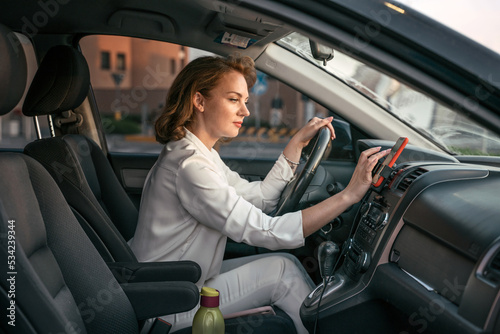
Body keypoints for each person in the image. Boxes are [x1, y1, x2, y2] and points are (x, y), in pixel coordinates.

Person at [129, 54, 389, 333]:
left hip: (177, 285)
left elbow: (260, 197)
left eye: (246, 101)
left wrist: (296, 144)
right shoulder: (190, 166)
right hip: (166, 305)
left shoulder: (199, 154)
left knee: (285, 264)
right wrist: (349, 196)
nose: (245, 111)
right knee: (282, 274)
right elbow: (268, 232)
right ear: (199, 101)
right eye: (233, 99)